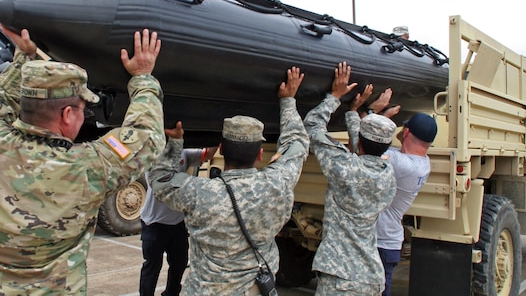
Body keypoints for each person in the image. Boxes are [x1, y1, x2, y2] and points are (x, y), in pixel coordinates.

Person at [0, 27, 166, 295]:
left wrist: (25, 57)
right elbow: (146, 137)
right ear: (67, 114)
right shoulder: (85, 167)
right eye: (83, 109)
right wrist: (143, 77)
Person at [150, 66, 309, 295]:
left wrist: (175, 143)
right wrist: (288, 101)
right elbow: (296, 144)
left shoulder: (198, 193)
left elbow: (160, 179)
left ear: (222, 149)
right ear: (260, 153)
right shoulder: (278, 183)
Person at [303, 62, 397, 295]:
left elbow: (312, 126)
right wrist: (355, 113)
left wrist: (335, 96)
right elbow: (364, 148)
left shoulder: (345, 167)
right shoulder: (388, 176)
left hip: (340, 277)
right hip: (371, 277)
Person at [139, 121, 217, 296]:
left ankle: (171, 294)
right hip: (154, 222)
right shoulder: (152, 155)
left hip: (177, 224)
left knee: (179, 264)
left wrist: (216, 133)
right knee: (152, 267)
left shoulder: (185, 152)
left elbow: (207, 155)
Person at [376, 111, 436, 296]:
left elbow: (365, 147)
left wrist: (378, 115)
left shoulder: (402, 164)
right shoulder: (422, 162)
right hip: (388, 241)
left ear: (407, 132)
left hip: (381, 243)